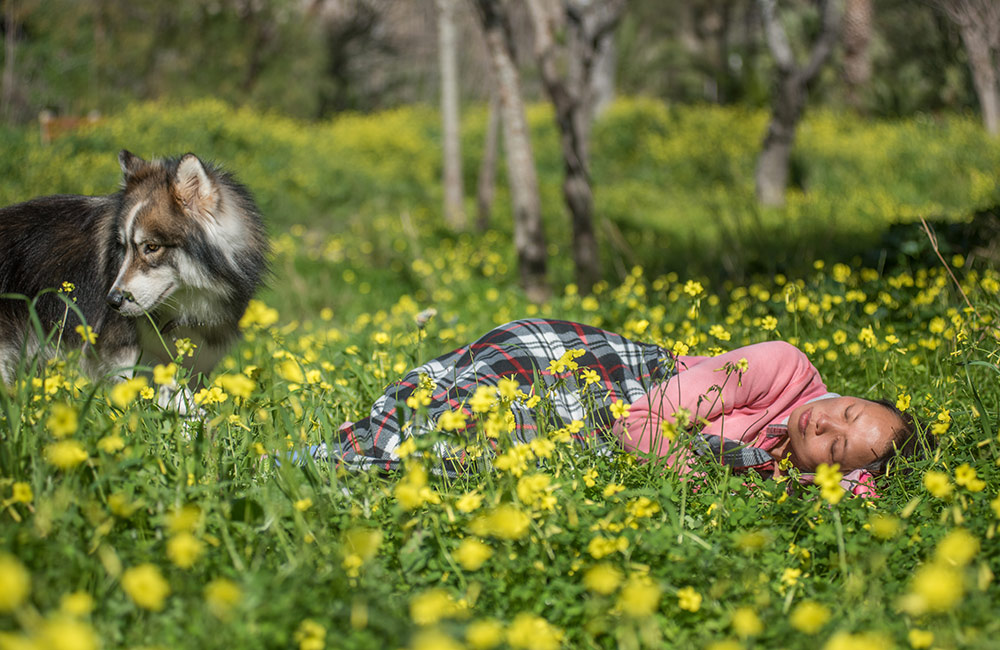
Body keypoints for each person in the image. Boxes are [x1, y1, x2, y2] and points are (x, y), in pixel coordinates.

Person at [323, 318, 917, 495]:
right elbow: (640, 423)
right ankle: (354, 453)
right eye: (848, 408)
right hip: (596, 375)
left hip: (605, 421)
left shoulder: (789, 471)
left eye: (836, 445)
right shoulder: (782, 366)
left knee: (470, 452)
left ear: (833, 472)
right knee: (465, 423)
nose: (826, 420)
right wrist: (704, 471)